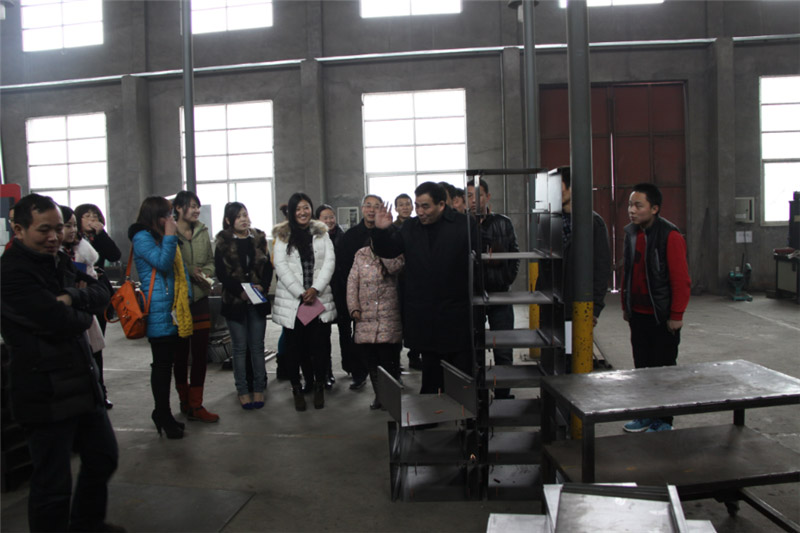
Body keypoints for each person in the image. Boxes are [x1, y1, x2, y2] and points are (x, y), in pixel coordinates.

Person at [1, 194, 119, 532]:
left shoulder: (58, 261)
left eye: (58, 228)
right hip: (44, 391)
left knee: (103, 457)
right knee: (53, 484)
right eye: (44, 230)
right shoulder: (11, 273)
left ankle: (86, 524)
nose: (54, 237)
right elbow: (59, 320)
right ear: (19, 230)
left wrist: (72, 297)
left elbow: (102, 292)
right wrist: (79, 311)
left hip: (82, 382)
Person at [372, 182, 476, 394]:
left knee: (460, 373)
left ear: (441, 205)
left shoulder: (464, 225)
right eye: (417, 206)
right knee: (431, 372)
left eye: (425, 206)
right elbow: (389, 250)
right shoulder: (410, 227)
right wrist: (381, 231)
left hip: (456, 312)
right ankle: (432, 408)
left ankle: (463, 410)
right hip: (425, 313)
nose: (419, 212)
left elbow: (477, 264)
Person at [621, 183, 690, 433]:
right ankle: (645, 415)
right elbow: (628, 273)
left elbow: (681, 280)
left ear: (654, 208)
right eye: (630, 205)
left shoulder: (670, 236)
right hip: (638, 316)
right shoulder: (631, 234)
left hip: (662, 318)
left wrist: (676, 315)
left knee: (663, 371)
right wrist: (626, 305)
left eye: (638, 205)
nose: (632, 210)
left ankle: (664, 420)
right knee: (642, 369)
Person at [129, 196, 194, 439]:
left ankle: (163, 413)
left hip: (172, 308)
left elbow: (180, 269)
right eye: (167, 215)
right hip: (157, 309)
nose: (172, 218)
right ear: (157, 217)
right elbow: (163, 264)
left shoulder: (160, 237)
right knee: (162, 366)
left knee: (169, 363)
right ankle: (163, 414)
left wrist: (186, 296)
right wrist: (169, 235)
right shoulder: (142, 237)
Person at [272, 193, 337, 411]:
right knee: (294, 349)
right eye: (298, 208)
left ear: (311, 209)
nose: (302, 212)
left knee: (319, 347)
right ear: (292, 211)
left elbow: (329, 262)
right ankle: (297, 389)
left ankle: (318, 386)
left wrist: (315, 288)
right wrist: (301, 292)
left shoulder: (321, 233)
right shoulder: (283, 235)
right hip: (294, 302)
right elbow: (281, 266)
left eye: (306, 207)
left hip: (317, 299)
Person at [214, 202, 273, 410]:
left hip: (257, 301)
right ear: (229, 220)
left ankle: (259, 388)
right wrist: (240, 291)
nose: (244, 219)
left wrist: (262, 286)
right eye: (239, 216)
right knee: (239, 349)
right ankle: (242, 390)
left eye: (245, 215)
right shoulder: (223, 242)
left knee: (257, 347)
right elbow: (221, 273)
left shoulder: (259, 238)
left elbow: (268, 268)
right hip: (235, 302)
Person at [467, 178, 520, 399]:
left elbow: (514, 254)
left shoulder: (503, 223)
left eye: (477, 195)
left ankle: (502, 396)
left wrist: (506, 277)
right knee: (475, 350)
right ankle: (478, 397)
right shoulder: (462, 225)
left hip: (500, 295)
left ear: (487, 197)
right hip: (472, 297)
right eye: (469, 196)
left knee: (503, 349)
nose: (473, 200)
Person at [173, 191, 219, 422]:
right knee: (180, 355)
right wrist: (189, 270)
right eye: (191, 206)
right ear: (178, 208)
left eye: (197, 206)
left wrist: (205, 273)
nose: (196, 210)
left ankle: (196, 404)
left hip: (200, 298)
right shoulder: (169, 232)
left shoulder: (202, 231)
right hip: (179, 302)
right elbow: (168, 263)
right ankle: (184, 401)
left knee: (201, 354)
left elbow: (210, 261)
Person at [346, 239, 404, 410]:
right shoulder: (361, 254)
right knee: (371, 360)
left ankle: (390, 396)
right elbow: (352, 283)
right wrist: (354, 307)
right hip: (365, 316)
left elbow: (395, 268)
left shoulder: (395, 254)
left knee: (388, 360)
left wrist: (384, 251)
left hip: (388, 316)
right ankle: (379, 395)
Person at [335, 194, 383, 390]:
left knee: (385, 336)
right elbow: (344, 268)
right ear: (362, 209)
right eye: (368, 205)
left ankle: (389, 375)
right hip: (360, 295)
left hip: (384, 296)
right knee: (359, 337)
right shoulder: (351, 236)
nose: (371, 210)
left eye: (376, 206)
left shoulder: (388, 232)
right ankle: (359, 374)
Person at [75, 203, 121, 410]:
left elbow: (114, 255)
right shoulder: (73, 241)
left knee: (96, 345)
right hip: (78, 295)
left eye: (95, 216)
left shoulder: (97, 239)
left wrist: (101, 234)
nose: (92, 220)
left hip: (97, 295)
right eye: (87, 216)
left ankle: (100, 392)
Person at [560, 167, 612, 326]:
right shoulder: (549, 220)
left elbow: (601, 268)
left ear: (572, 188)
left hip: (578, 305)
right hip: (553, 305)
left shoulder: (593, 223)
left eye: (558, 186)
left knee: (574, 341)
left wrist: (595, 308)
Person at [316, 203, 345, 389]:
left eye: (331, 216)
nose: (329, 220)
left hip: (341, 291)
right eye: (325, 217)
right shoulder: (314, 239)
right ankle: (326, 372)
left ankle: (352, 368)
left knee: (346, 332)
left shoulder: (343, 237)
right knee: (322, 335)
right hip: (322, 292)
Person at [393, 193, 421, 370]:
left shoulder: (418, 226)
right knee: (397, 319)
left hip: (415, 278)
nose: (404, 207)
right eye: (401, 204)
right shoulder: (392, 228)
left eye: (407, 204)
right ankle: (395, 359)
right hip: (396, 280)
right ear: (396, 208)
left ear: (412, 207)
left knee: (415, 319)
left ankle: (414, 356)